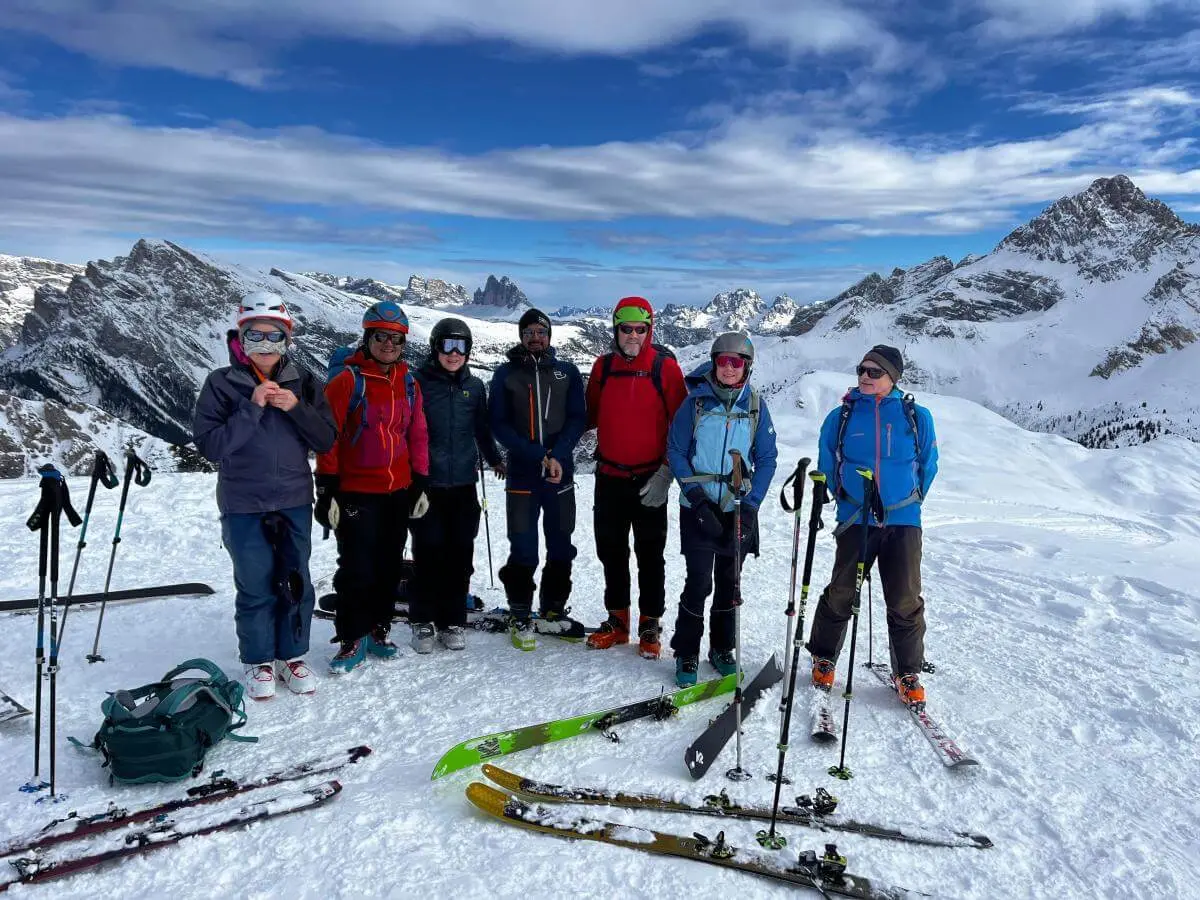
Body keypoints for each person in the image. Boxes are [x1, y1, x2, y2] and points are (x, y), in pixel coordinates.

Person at [193, 290, 337, 700]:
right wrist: (252, 408)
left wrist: (296, 408)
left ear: (287, 339)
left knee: (296, 579)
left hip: (293, 497)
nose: (265, 346)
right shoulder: (221, 384)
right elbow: (211, 446)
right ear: (240, 339)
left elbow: (326, 439)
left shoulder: (304, 381)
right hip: (243, 502)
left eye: (274, 337)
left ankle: (292, 655)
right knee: (254, 581)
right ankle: (259, 660)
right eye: (255, 336)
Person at [806, 344, 939, 708]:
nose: (864, 376)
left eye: (873, 371)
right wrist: (847, 499)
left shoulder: (916, 416)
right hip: (856, 520)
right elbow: (827, 460)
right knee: (842, 591)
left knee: (905, 598)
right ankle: (823, 656)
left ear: (892, 377)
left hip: (903, 521)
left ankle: (908, 671)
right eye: (861, 370)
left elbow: (929, 462)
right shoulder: (842, 416)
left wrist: (910, 500)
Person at [315, 300, 430, 674]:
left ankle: (378, 629)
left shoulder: (408, 383)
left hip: (397, 490)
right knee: (356, 567)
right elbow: (328, 437)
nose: (389, 345)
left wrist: (419, 482)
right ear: (367, 338)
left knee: (387, 565)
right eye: (381, 337)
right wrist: (327, 488)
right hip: (356, 491)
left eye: (396, 340)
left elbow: (417, 434)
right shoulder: (348, 381)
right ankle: (351, 636)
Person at [666, 332, 778, 687]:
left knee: (730, 581)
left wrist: (752, 507)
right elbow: (676, 451)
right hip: (698, 506)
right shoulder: (695, 404)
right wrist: (696, 497)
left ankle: (722, 649)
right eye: (723, 360)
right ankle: (686, 651)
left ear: (747, 366)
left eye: (737, 361)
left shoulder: (756, 406)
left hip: (738, 506)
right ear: (714, 362)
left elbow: (767, 458)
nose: (729, 368)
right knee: (698, 581)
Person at [584, 296, 687, 658]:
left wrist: (666, 474)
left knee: (650, 554)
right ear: (615, 330)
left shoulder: (666, 369)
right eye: (625, 329)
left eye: (639, 329)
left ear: (649, 330)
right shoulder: (603, 367)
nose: (632, 335)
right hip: (609, 476)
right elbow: (590, 415)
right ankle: (618, 620)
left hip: (649, 477)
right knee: (610, 550)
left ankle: (650, 622)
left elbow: (681, 427)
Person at [489, 308, 587, 651]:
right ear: (520, 335)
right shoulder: (505, 375)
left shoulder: (567, 373)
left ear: (549, 335)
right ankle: (519, 611)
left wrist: (557, 455)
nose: (535, 337)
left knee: (561, 543)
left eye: (541, 332)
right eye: (528, 331)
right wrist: (537, 454)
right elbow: (498, 424)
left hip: (560, 474)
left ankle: (552, 609)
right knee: (524, 545)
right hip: (522, 474)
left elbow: (578, 418)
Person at [409, 318, 505, 653]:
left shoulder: (475, 387)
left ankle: (452, 621)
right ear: (435, 347)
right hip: (427, 484)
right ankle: (422, 619)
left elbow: (481, 429)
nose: (453, 353)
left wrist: (494, 459)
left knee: (460, 555)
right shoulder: (418, 383)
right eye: (447, 345)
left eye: (461, 346)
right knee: (428, 552)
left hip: (464, 484)